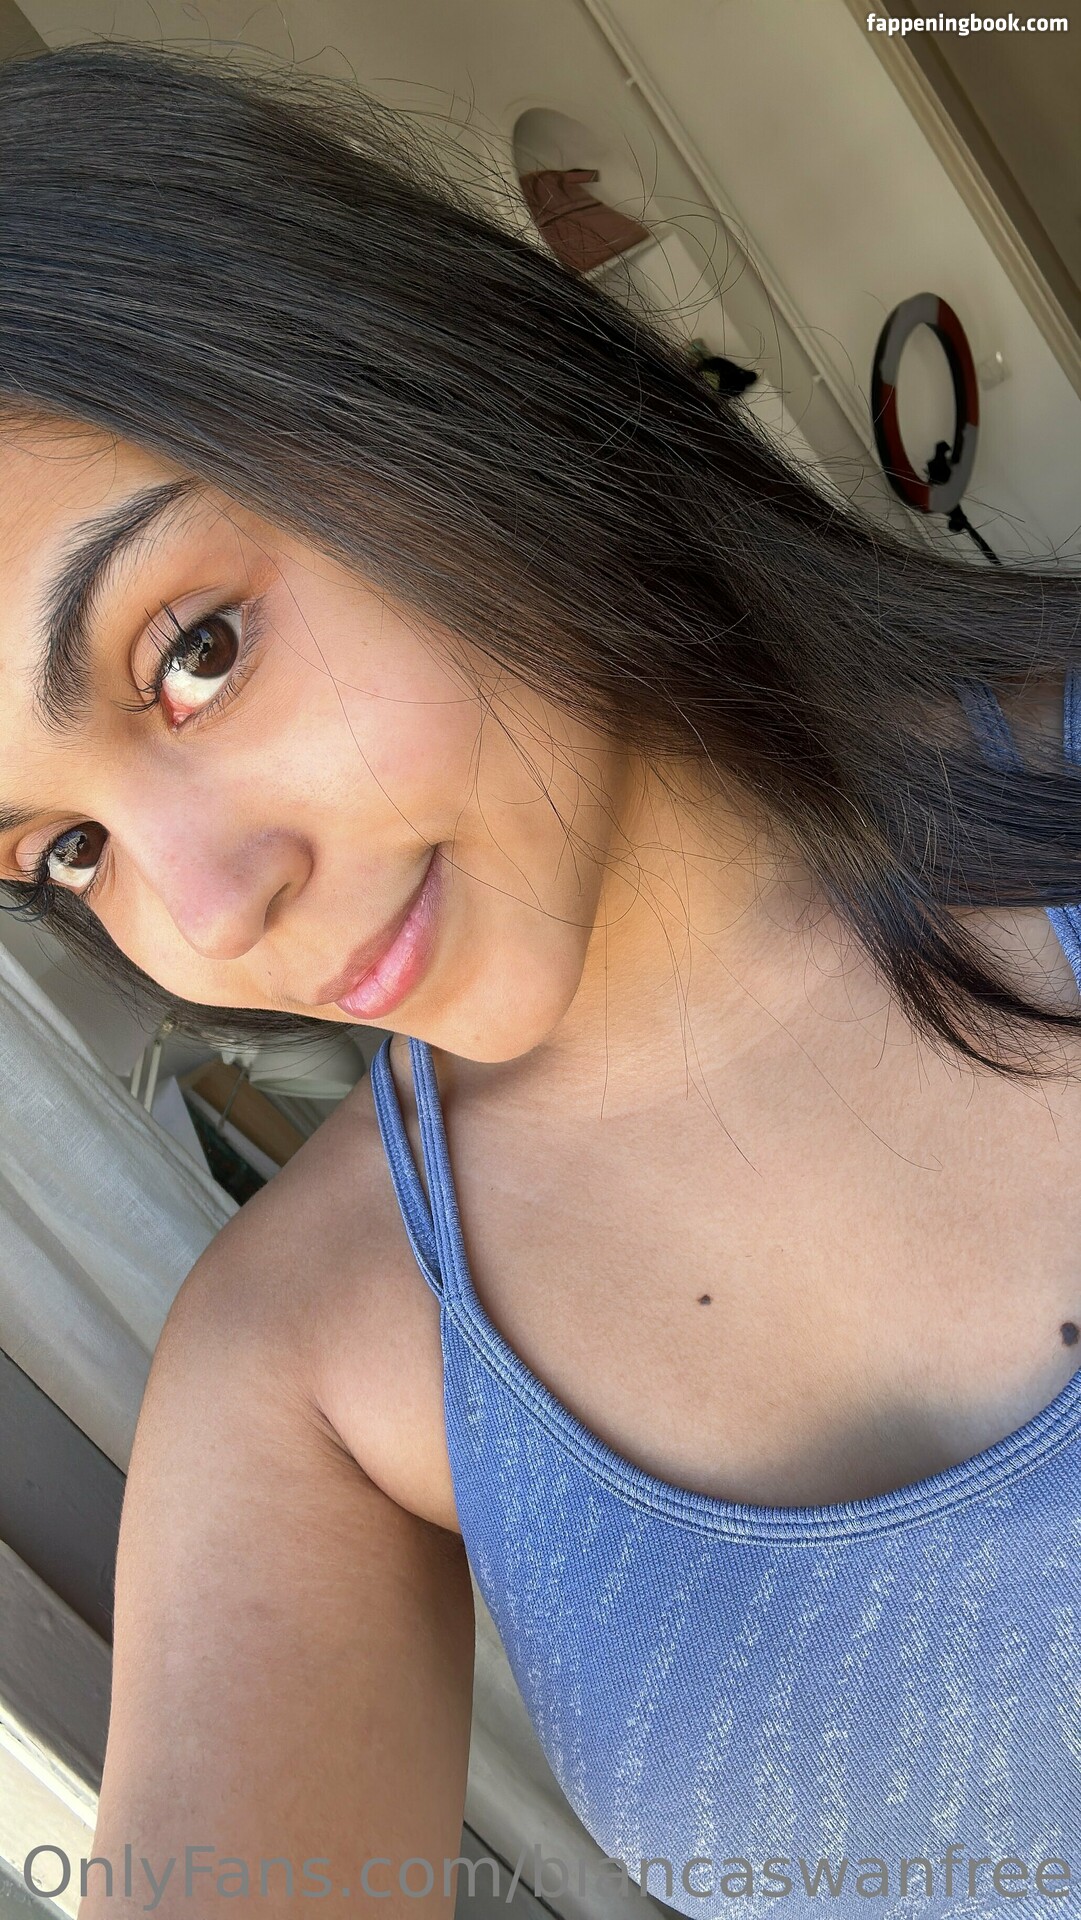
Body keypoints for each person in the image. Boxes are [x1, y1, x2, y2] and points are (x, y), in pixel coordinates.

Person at [0, 37, 1078, 1920]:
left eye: (194, 654)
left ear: (425, 387)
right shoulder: (305, 1364)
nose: (209, 913)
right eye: (62, 851)